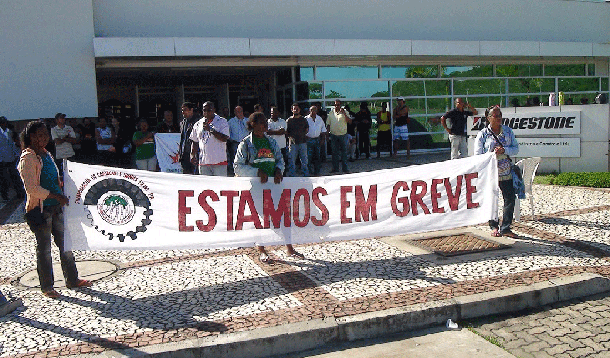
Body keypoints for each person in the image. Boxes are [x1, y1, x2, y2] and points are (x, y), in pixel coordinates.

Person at [17, 121, 91, 299]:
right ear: (31, 136)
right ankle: (47, 286)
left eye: (45, 135)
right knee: (44, 249)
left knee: (66, 245)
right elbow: (32, 188)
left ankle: (72, 279)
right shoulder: (28, 158)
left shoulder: (46, 153)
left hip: (57, 208)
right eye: (39, 135)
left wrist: (62, 185)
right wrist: (56, 196)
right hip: (41, 210)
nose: (43, 138)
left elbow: (53, 176)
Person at [233, 112, 304, 263]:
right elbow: (237, 167)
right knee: (261, 219)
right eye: (262, 122)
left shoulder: (271, 142)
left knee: (284, 215)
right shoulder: (245, 144)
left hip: (275, 186)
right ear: (252, 124)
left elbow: (280, 160)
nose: (266, 125)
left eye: (266, 122)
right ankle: (262, 250)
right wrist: (256, 172)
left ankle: (290, 248)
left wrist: (279, 170)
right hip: (256, 188)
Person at [474, 105, 519, 238]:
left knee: (510, 198)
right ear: (488, 118)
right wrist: (491, 153)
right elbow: (478, 154)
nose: (499, 118)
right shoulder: (483, 134)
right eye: (496, 116)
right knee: (492, 199)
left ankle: (506, 227)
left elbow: (515, 149)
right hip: (491, 172)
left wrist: (504, 150)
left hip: (506, 171)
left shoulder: (508, 131)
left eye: (500, 115)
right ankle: (493, 226)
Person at [190, 101, 230, 176]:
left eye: (209, 110)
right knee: (206, 187)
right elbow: (195, 141)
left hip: (219, 162)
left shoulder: (222, 121)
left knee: (220, 186)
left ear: (214, 110)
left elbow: (225, 138)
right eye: (204, 110)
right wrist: (192, 155)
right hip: (204, 163)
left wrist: (211, 130)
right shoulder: (198, 123)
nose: (206, 112)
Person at [0, 116, 25, 200]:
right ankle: (4, 195)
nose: (4, 124)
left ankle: (19, 193)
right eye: (2, 122)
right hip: (2, 159)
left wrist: (17, 153)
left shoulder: (9, 132)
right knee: (4, 178)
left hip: (11, 157)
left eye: (5, 122)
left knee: (15, 176)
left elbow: (13, 144)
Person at [327, 99, 352, 174]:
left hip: (343, 135)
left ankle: (345, 168)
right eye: (335, 105)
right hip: (334, 135)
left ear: (340, 105)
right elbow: (328, 124)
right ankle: (335, 168)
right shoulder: (331, 113)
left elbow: (350, 121)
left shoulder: (345, 112)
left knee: (344, 153)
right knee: (334, 153)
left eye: (338, 105)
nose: (336, 106)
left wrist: (344, 113)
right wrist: (327, 134)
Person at [50, 113, 77, 177]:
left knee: (72, 174)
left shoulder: (69, 128)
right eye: (61, 118)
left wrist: (62, 139)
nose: (63, 119)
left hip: (70, 154)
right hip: (60, 155)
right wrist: (66, 138)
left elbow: (74, 140)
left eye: (64, 118)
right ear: (57, 120)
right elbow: (57, 141)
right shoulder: (53, 129)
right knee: (61, 175)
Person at [286, 103, 309, 177]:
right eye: (294, 109)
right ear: (291, 110)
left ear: (299, 109)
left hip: (303, 143)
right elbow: (286, 132)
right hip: (293, 144)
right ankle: (292, 177)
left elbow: (307, 129)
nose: (295, 110)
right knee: (292, 161)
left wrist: (301, 135)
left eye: (297, 108)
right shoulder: (289, 120)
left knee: (304, 161)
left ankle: (305, 176)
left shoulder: (303, 119)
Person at [227, 106, 249, 177]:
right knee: (236, 159)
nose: (239, 113)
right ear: (235, 112)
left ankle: (246, 172)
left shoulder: (247, 120)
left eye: (240, 111)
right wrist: (231, 139)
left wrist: (242, 119)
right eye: (237, 112)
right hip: (235, 143)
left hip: (246, 143)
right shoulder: (231, 121)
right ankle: (236, 173)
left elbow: (249, 129)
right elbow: (228, 132)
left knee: (246, 158)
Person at [178, 102, 199, 174]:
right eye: (182, 110)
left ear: (191, 110)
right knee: (186, 175)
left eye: (185, 110)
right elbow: (182, 138)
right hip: (184, 154)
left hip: (194, 152)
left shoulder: (198, 122)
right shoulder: (182, 123)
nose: (183, 112)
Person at [305, 105, 326, 176]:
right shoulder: (306, 119)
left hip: (317, 139)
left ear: (317, 111)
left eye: (314, 110)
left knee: (317, 157)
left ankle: (317, 172)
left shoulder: (319, 119)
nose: (313, 112)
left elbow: (323, 130)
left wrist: (322, 139)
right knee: (308, 157)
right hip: (308, 140)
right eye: (311, 110)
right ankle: (309, 172)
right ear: (309, 111)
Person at [267, 106, 288, 172]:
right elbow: (268, 132)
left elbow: (282, 132)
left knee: (282, 165)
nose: (273, 114)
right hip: (271, 147)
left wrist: (273, 131)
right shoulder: (267, 122)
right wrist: (278, 131)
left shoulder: (283, 121)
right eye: (272, 112)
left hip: (281, 147)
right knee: (272, 164)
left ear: (278, 113)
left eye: (274, 112)